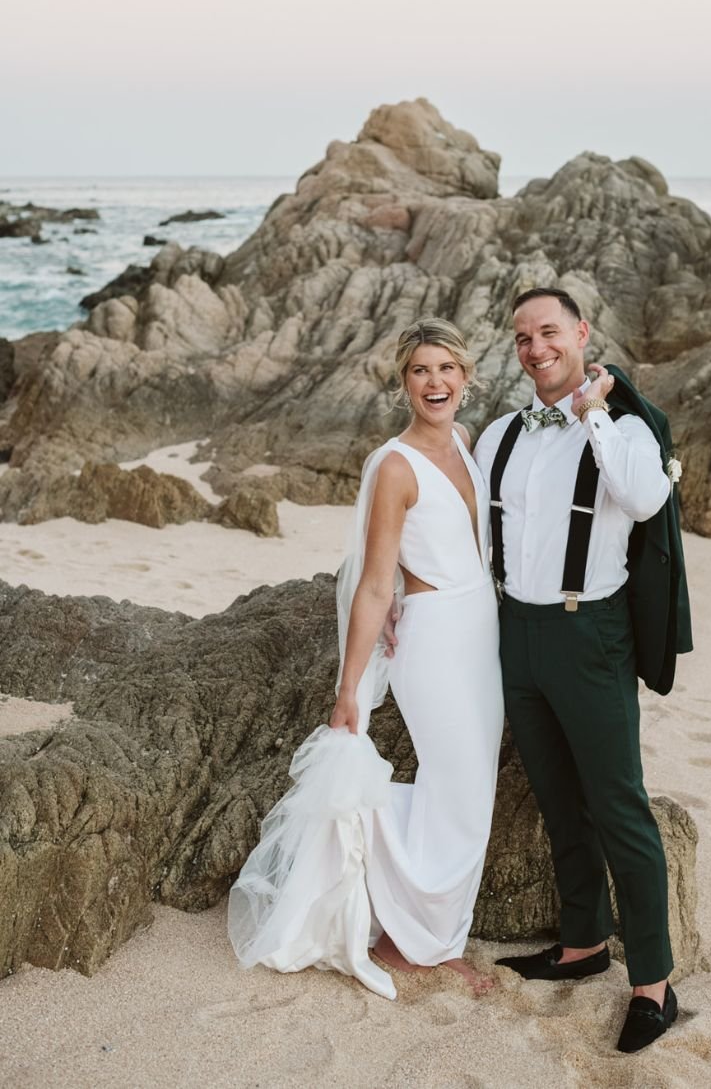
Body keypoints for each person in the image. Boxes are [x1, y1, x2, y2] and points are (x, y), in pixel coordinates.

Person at [228, 318, 503, 999]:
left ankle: (423, 926)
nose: (435, 382)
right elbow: (378, 580)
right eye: (420, 371)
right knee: (460, 787)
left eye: (446, 369)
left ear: (467, 378)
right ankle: (419, 944)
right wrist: (350, 686)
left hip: (482, 630)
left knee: (470, 793)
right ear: (404, 383)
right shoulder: (395, 466)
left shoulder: (466, 443)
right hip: (433, 640)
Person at [473, 287, 678, 1053]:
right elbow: (478, 533)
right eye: (523, 336)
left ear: (582, 333)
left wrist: (595, 409)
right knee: (559, 800)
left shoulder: (622, 431)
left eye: (549, 331)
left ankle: (653, 981)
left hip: (587, 632)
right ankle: (584, 940)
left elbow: (647, 495)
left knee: (619, 804)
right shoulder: (499, 434)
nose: (535, 347)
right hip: (514, 633)